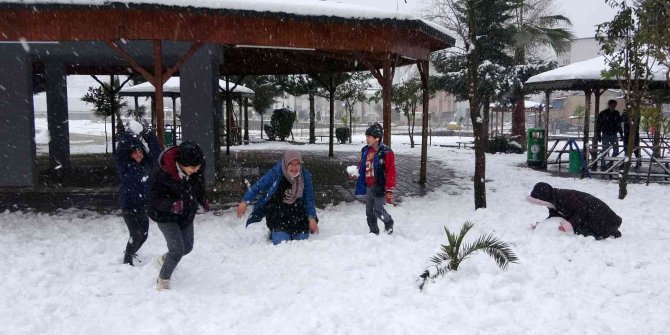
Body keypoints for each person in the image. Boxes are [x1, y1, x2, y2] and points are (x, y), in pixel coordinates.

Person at [149, 141, 209, 290]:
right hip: (165, 216)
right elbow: (153, 200)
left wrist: (202, 199)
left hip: (186, 213)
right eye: (192, 167)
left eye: (198, 167)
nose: (196, 170)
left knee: (187, 247)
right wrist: (171, 205)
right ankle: (163, 282)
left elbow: (198, 186)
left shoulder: (196, 168)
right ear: (181, 163)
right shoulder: (161, 173)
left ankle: (164, 259)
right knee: (177, 250)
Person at [236, 150, 319, 245]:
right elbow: (258, 186)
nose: (294, 167)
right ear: (286, 163)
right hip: (279, 213)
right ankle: (276, 232)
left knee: (301, 243)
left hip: (298, 213)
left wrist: (311, 217)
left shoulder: (305, 175)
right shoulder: (276, 172)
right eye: (291, 164)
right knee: (281, 242)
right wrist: (245, 202)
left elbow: (309, 199)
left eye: (297, 164)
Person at [116, 123, 161, 266]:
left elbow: (156, 151)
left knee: (144, 235)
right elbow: (121, 151)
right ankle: (127, 260)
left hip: (142, 205)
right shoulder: (125, 166)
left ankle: (131, 252)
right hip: (128, 206)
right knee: (136, 234)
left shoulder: (147, 164)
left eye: (140, 151)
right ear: (130, 155)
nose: (138, 154)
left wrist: (147, 134)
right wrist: (129, 134)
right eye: (135, 152)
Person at [527, 182, 622, 240]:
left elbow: (583, 210)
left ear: (544, 197)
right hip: (589, 213)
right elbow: (554, 216)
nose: (541, 204)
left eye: (540, 202)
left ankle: (611, 229)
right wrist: (542, 225)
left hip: (597, 213)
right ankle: (611, 229)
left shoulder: (565, 196)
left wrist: (569, 224)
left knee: (581, 231)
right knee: (576, 228)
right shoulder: (552, 200)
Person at [354, 123, 396, 235]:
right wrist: (356, 171)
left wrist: (389, 189)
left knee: (377, 210)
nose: (366, 139)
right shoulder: (365, 151)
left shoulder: (386, 152)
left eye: (368, 137)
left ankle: (388, 221)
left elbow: (391, 171)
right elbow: (361, 165)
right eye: (366, 137)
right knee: (369, 212)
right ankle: (373, 231)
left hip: (380, 187)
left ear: (377, 138)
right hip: (369, 186)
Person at [596, 100, 624, 170]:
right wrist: (598, 134)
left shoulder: (616, 113)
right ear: (609, 105)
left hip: (614, 134)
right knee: (604, 150)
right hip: (606, 134)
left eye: (614, 105)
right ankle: (603, 165)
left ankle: (610, 162)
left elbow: (619, 124)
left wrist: (621, 134)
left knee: (616, 151)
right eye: (612, 105)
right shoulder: (603, 113)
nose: (613, 107)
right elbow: (598, 124)